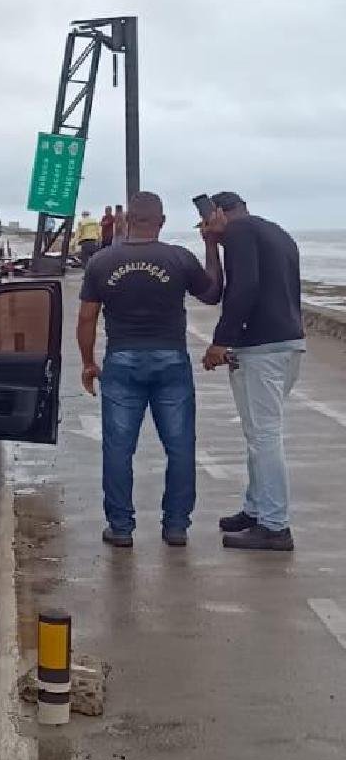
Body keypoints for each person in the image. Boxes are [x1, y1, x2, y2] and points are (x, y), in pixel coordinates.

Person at [77, 190, 222, 546]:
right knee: (180, 446)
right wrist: (211, 245)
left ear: (127, 220)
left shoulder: (102, 261)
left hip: (122, 358)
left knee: (118, 448)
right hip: (170, 358)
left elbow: (86, 318)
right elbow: (213, 293)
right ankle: (175, 527)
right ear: (161, 221)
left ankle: (122, 528)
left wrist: (88, 362)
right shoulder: (178, 258)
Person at [201, 193, 304, 551]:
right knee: (257, 434)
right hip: (289, 343)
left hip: (261, 348)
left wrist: (221, 341)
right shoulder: (276, 232)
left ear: (219, 213)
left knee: (264, 436)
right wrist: (213, 243)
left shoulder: (240, 232)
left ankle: (275, 526)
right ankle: (256, 508)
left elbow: (242, 287)